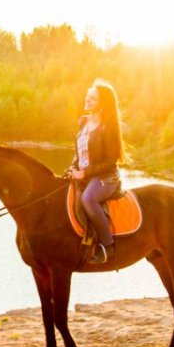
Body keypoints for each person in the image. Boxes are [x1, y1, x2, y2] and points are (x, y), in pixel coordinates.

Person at [69, 79, 126, 264]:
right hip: (86, 175)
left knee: (88, 199)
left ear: (103, 104)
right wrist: (72, 167)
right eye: (88, 96)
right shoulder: (83, 122)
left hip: (106, 178)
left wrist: (84, 173)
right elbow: (80, 152)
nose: (88, 100)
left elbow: (111, 163)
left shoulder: (107, 128)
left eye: (93, 98)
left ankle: (108, 246)